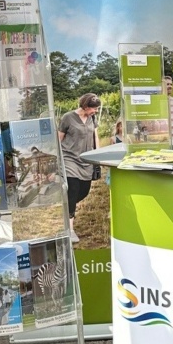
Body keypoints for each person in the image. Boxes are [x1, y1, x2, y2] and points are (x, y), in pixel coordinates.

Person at [58, 93, 101, 243]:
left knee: (83, 191)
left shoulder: (92, 119)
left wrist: (98, 155)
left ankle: (66, 209)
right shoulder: (68, 117)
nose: (95, 111)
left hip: (86, 160)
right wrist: (57, 158)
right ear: (85, 106)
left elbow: (95, 137)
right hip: (69, 158)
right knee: (73, 189)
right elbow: (59, 138)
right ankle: (70, 229)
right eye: (93, 108)